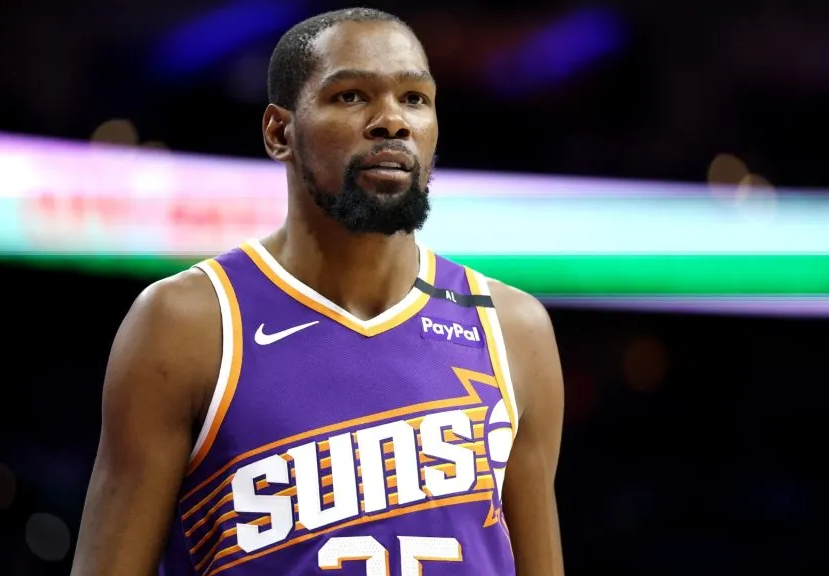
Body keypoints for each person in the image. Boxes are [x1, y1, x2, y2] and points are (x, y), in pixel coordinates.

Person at [71, 7, 565, 575]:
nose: (392, 121)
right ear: (280, 132)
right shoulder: (188, 323)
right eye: (352, 96)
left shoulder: (510, 328)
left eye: (415, 98)